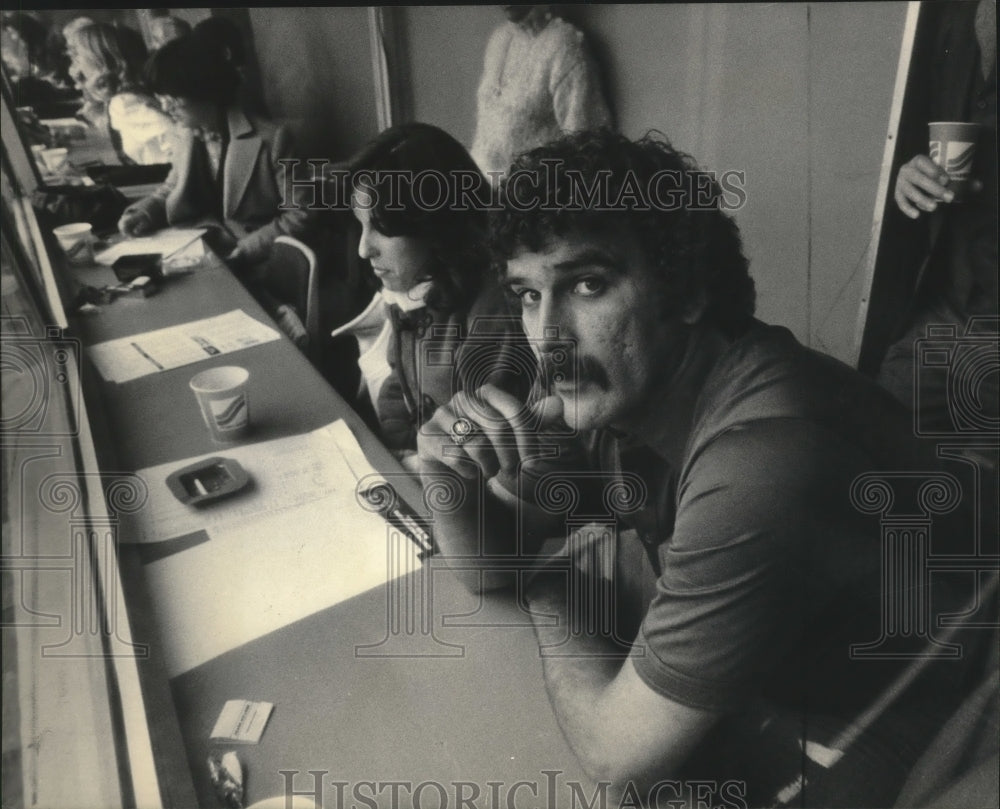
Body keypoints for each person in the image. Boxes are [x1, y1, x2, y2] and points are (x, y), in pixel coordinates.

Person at [417, 130, 986, 806]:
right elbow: (491, 562)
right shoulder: (619, 390)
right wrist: (448, 480)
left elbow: (616, 755)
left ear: (686, 294)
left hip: (946, 716)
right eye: (529, 295)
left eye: (588, 284)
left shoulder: (763, 459)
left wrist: (552, 589)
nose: (549, 336)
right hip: (818, 678)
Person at [333, 122, 531, 463]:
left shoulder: (495, 314)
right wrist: (395, 450)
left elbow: (486, 453)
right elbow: (399, 386)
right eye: (361, 225)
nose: (364, 250)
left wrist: (415, 464)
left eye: (381, 229)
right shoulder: (420, 289)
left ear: (436, 224)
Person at [876, 0, 997, 435]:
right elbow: (919, 138)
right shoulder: (952, 14)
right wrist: (909, 178)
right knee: (865, 447)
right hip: (944, 316)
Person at [117, 34, 315, 270]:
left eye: (173, 97)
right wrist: (145, 212)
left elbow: (302, 214)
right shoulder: (185, 133)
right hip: (201, 252)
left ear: (204, 90)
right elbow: (174, 186)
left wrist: (246, 250)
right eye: (161, 97)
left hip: (258, 260)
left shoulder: (275, 139)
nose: (165, 106)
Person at [470, 5, 611, 183]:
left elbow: (587, 147)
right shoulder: (499, 39)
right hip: (480, 194)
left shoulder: (564, 44)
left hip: (532, 198)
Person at [71, 22, 173, 166]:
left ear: (99, 60)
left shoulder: (124, 102)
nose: (76, 65)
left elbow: (174, 136)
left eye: (78, 56)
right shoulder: (126, 96)